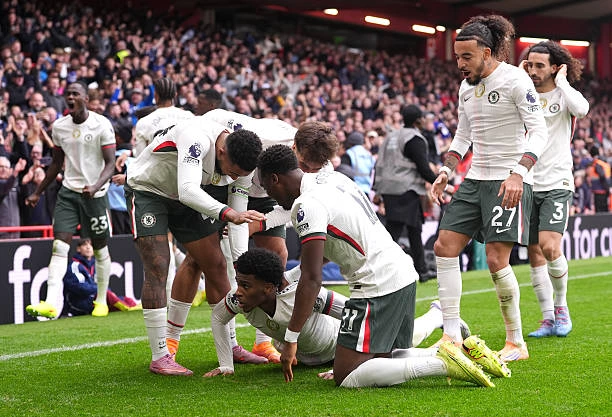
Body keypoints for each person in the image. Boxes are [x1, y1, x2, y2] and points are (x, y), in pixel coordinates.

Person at [257, 145, 507, 388]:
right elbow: (332, 248)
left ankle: (441, 363)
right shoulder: (333, 178)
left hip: (375, 285)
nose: (271, 197)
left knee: (346, 375)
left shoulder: (305, 205)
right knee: (387, 357)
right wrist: (291, 275)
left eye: (268, 189)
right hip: (401, 272)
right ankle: (462, 352)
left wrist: (291, 339)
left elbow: (312, 278)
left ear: (275, 179)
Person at [429, 15, 548, 362]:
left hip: (507, 179)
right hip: (475, 178)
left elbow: (538, 131)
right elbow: (462, 134)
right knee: (444, 246)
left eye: (467, 57)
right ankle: (451, 336)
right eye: (457, 57)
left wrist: (518, 174)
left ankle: (516, 343)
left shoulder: (515, 80)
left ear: (486, 52)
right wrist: (446, 170)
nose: (460, 64)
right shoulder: (465, 87)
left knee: (497, 259)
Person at [125, 109, 266, 376]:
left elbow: (238, 215)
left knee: (216, 264)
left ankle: (231, 345)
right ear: (222, 151)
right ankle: (160, 356)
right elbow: (188, 190)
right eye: (232, 172)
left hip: (183, 197)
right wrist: (227, 213)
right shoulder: (196, 136)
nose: (234, 178)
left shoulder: (245, 161)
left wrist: (240, 262)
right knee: (158, 265)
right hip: (149, 190)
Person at [205, 248, 475, 380]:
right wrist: (226, 365)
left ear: (267, 288)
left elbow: (352, 311)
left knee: (401, 343)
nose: (238, 291)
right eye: (239, 283)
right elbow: (218, 318)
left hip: (339, 345)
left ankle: (437, 315)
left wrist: (347, 363)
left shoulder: (305, 295)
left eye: (245, 285)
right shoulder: (239, 300)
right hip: (305, 359)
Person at [25, 81, 116, 319]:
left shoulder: (101, 124)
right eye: (68, 94)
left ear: (86, 98)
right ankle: (50, 302)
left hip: (95, 195)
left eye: (76, 93)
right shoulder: (59, 127)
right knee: (59, 245)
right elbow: (56, 163)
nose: (71, 97)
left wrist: (95, 186)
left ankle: (101, 301)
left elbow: (110, 164)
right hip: (69, 192)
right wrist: (38, 191)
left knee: (99, 248)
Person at [522, 41, 590, 338]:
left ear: (554, 67)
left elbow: (583, 110)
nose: (533, 70)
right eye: (530, 64)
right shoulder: (522, 93)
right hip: (527, 181)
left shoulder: (564, 95)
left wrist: (562, 81)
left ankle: (561, 307)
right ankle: (547, 318)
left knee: (550, 246)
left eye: (540, 65)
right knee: (534, 251)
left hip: (557, 181)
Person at [374, 104, 453, 283]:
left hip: (389, 189)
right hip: (406, 188)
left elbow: (379, 164)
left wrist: (377, 189)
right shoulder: (415, 139)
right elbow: (423, 168)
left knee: (414, 229)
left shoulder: (390, 136)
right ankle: (378, 271)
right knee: (394, 233)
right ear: (418, 120)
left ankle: (421, 270)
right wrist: (441, 184)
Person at [63, 238, 141, 316]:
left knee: (126, 299)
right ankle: (128, 308)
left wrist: (105, 291)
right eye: (84, 245)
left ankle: (133, 306)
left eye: (91, 245)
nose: (88, 247)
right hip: (79, 302)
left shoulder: (96, 264)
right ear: (78, 249)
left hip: (94, 299)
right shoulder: (74, 266)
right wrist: (101, 290)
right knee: (107, 294)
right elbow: (80, 288)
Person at [132, 78, 193, 157]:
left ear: (155, 96)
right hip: (183, 163)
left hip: (155, 164)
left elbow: (140, 156)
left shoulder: (143, 122)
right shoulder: (189, 117)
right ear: (175, 95)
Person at [0, 156, 26, 239]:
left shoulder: (15, 184)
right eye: (1, 166)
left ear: (10, 170)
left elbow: (23, 202)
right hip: (2, 231)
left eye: (6, 167)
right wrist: (15, 173)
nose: (3, 169)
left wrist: (25, 183)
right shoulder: (6, 184)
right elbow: (4, 188)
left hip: (16, 229)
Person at [586, 146, 610, 213]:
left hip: (599, 191)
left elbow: (602, 176)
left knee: (600, 212)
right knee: (605, 211)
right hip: (604, 190)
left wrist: (607, 189)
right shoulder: (603, 162)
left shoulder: (596, 164)